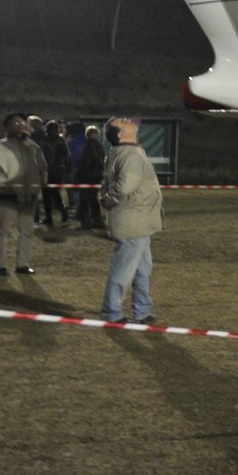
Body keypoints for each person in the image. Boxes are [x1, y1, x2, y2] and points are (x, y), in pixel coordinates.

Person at [100, 116, 163, 323]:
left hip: (139, 221)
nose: (129, 121)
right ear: (121, 134)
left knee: (142, 269)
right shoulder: (130, 154)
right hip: (132, 221)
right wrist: (109, 200)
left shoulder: (124, 152)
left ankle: (142, 311)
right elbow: (124, 188)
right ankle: (112, 313)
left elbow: (108, 184)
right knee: (124, 270)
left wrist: (106, 198)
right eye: (124, 122)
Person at [0, 113, 46, 277]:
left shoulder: (33, 147)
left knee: (27, 232)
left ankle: (22, 264)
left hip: (28, 198)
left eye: (22, 122)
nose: (20, 125)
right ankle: (0, 266)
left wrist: (41, 181)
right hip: (8, 197)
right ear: (7, 127)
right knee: (2, 232)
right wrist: (3, 183)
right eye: (15, 123)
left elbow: (43, 166)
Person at [39, 120, 72, 227]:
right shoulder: (61, 141)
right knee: (55, 193)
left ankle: (49, 217)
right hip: (58, 171)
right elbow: (67, 156)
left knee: (46, 195)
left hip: (47, 170)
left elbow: (40, 156)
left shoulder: (44, 141)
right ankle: (63, 213)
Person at [73, 124, 106, 230]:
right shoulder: (100, 147)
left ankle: (86, 222)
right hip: (96, 177)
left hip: (86, 177)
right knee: (94, 200)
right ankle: (98, 221)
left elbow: (84, 163)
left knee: (84, 200)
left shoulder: (86, 147)